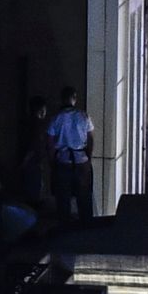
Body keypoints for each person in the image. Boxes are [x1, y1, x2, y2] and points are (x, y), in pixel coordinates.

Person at [48, 85, 95, 216]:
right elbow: (91, 139)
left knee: (63, 201)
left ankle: (65, 231)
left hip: (63, 162)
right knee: (84, 199)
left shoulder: (56, 118)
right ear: (74, 98)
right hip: (82, 162)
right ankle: (85, 229)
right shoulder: (84, 116)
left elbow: (50, 144)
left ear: (62, 99)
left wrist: (52, 162)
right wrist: (88, 158)